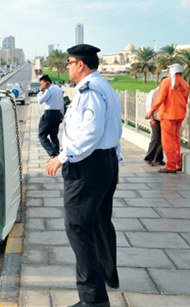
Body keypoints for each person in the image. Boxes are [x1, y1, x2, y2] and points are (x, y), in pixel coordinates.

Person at [46, 44, 123, 307]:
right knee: (100, 223)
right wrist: (114, 164)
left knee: (77, 227)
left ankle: (93, 299)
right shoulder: (106, 88)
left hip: (87, 166)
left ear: (80, 64)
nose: (66, 66)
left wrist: (62, 157)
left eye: (69, 62)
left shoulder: (89, 91)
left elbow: (91, 132)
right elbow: (115, 127)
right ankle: (108, 276)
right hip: (105, 162)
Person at [146, 64, 190, 173]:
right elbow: (185, 100)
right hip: (180, 115)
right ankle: (176, 164)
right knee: (176, 139)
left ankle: (170, 166)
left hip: (168, 115)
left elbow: (160, 98)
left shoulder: (166, 82)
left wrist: (152, 110)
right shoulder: (185, 84)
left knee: (168, 142)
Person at [37, 75, 65, 160]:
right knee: (54, 135)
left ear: (47, 83)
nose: (41, 86)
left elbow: (40, 100)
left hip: (50, 114)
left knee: (42, 135)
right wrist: (61, 116)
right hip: (58, 114)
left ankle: (53, 153)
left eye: (42, 84)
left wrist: (41, 91)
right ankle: (57, 155)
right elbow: (62, 104)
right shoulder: (59, 90)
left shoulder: (48, 90)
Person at [143, 78, 167, 166]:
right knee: (155, 138)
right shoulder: (154, 92)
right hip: (155, 119)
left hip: (163, 119)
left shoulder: (166, 92)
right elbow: (149, 108)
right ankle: (148, 157)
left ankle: (158, 159)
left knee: (162, 139)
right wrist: (152, 120)